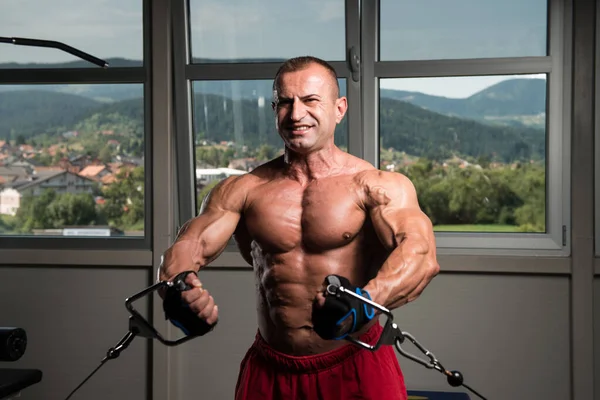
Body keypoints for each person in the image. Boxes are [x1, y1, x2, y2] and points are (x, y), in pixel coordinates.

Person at [159, 55, 440, 400]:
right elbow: (191, 243)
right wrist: (176, 288)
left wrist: (367, 302)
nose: (295, 114)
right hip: (271, 368)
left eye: (310, 100)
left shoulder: (375, 185)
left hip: (356, 362)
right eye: (284, 103)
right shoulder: (244, 189)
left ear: (339, 109)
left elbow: (419, 253)